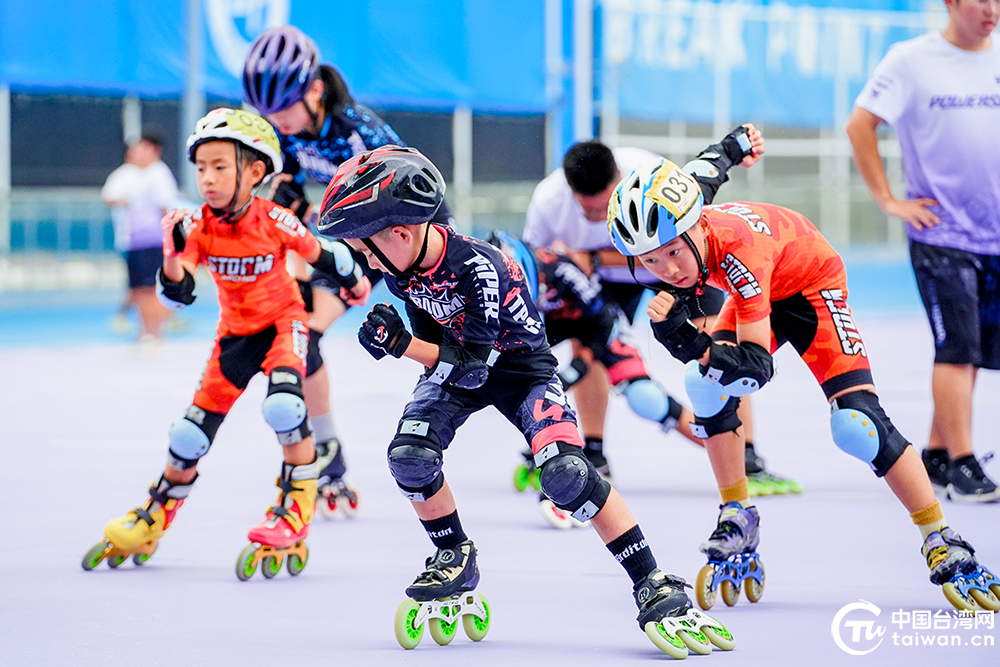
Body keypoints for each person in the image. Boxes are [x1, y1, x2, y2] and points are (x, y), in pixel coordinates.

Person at [316, 145, 735, 657]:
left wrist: (401, 345)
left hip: (520, 369)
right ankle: (453, 554)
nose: (365, 261)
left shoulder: (481, 267)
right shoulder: (398, 265)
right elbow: (437, 343)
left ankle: (653, 581)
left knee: (566, 476)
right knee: (410, 457)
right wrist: (403, 339)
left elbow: (472, 365)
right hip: (461, 360)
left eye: (364, 252)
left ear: (399, 233)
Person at [608, 157, 998, 612]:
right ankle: (737, 513)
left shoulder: (739, 255)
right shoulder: (687, 206)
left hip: (812, 286)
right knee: (704, 385)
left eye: (674, 252)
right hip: (769, 278)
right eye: (650, 260)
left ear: (697, 225)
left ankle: (940, 536)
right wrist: (734, 147)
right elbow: (707, 169)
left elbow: (754, 372)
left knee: (858, 424)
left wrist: (691, 342)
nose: (669, 270)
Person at [82, 108, 369, 577]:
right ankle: (157, 512)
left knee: (284, 407)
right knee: (188, 434)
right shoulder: (198, 226)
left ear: (255, 172)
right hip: (234, 336)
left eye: (219, 166)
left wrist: (355, 283)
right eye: (201, 168)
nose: (208, 179)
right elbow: (177, 295)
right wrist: (172, 254)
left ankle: (295, 510)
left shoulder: (274, 219)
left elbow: (325, 253)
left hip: (284, 325)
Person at [523, 127, 798, 496]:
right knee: (588, 345)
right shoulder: (547, 200)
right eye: (589, 212)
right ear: (572, 194)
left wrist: (594, 256)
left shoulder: (648, 172)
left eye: (605, 209)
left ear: (620, 178)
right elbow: (536, 269)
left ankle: (746, 456)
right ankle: (594, 451)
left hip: (672, 263)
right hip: (601, 281)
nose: (598, 217)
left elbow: (692, 231)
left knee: (720, 344)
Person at [242, 25, 448, 512]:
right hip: (356, 241)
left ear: (314, 91)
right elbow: (289, 194)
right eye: (269, 114)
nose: (278, 122)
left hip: (410, 234)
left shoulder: (357, 131)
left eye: (283, 110)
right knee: (302, 335)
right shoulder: (286, 131)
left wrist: (321, 226)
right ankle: (328, 452)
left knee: (458, 354)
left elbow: (407, 199)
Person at [845, 0, 1000, 503]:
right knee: (956, 348)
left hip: (995, 236)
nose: (991, 9)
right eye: (980, 0)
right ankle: (963, 463)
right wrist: (889, 199)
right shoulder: (911, 60)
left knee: (974, 352)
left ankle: (936, 453)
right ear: (951, 3)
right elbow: (859, 124)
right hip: (942, 235)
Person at [100, 133, 179, 352]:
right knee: (140, 290)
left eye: (142, 148)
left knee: (151, 289)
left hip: (153, 240)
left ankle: (155, 335)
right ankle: (144, 333)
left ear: (153, 150)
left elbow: (166, 207)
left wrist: (171, 238)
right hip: (136, 240)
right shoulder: (135, 174)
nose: (136, 153)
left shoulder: (159, 173)